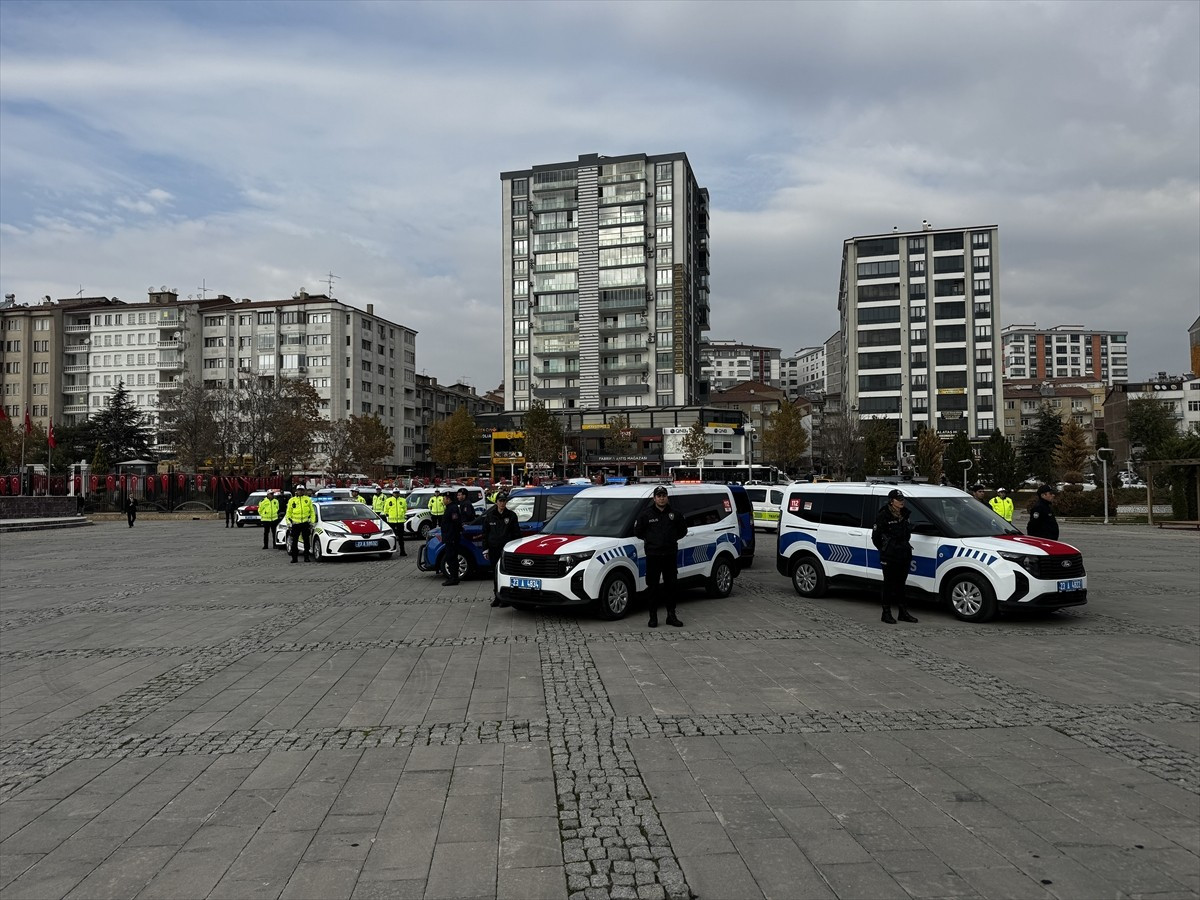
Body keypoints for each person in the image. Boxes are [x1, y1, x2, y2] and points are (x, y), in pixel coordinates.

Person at [634, 485, 688, 628]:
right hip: (653, 555)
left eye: (664, 496)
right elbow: (638, 531)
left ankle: (671, 615)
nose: (662, 498)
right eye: (659, 496)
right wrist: (652, 540)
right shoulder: (646, 514)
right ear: (654, 498)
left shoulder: (675, 514)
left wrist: (671, 540)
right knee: (652, 587)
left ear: (667, 497)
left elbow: (683, 531)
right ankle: (653, 617)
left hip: (670, 555)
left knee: (671, 586)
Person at [872, 488, 917, 625]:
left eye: (902, 499)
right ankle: (886, 613)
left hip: (904, 553)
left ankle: (903, 612)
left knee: (901, 584)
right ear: (892, 501)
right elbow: (876, 537)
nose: (902, 502)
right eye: (899, 500)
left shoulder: (905, 514)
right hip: (890, 555)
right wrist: (886, 549)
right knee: (888, 584)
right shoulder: (883, 515)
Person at [482, 493, 521, 607]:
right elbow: (485, 533)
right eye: (500, 501)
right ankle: (497, 597)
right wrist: (485, 549)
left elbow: (516, 534)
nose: (502, 503)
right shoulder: (490, 516)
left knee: (506, 574)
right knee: (495, 574)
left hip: (506, 550)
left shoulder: (511, 515)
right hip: (493, 548)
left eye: (504, 501)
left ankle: (506, 598)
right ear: (496, 502)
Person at [440, 487, 476, 586]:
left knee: (451, 557)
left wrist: (452, 536)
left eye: (444, 499)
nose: (443, 501)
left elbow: (456, 523)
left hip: (451, 537)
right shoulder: (450, 508)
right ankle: (453, 577)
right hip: (449, 537)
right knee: (450, 557)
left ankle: (453, 578)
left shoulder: (453, 508)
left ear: (448, 499)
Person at [285, 485, 316, 563]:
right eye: (299, 490)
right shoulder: (292, 500)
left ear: (304, 491)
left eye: (302, 490)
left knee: (306, 541)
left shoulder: (307, 499)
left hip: (305, 523)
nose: (300, 491)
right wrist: (288, 523)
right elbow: (288, 513)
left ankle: (306, 557)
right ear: (296, 491)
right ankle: (294, 558)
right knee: (294, 542)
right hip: (295, 524)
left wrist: (312, 522)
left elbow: (312, 512)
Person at [384, 488, 408, 557]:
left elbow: (405, 509)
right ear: (393, 493)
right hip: (391, 521)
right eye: (395, 493)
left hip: (400, 521)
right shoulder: (388, 500)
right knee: (392, 537)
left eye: (397, 493)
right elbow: (386, 510)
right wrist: (389, 516)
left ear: (399, 493)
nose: (396, 494)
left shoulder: (403, 500)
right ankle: (391, 550)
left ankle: (402, 551)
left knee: (401, 537)